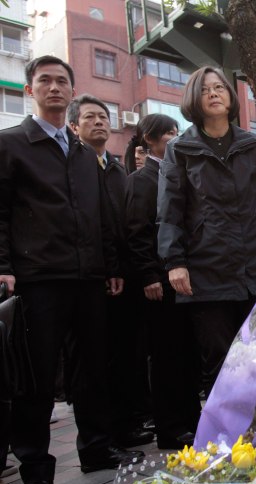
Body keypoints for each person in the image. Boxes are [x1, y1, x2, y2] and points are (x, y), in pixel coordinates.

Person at [0, 55, 142, 484]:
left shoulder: (84, 154)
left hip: (90, 280)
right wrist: (4, 266)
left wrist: (112, 268)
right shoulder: (10, 145)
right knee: (37, 381)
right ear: (30, 90)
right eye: (45, 81)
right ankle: (37, 475)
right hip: (37, 279)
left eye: (62, 81)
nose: (55, 87)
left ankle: (96, 449)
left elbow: (100, 217)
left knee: (92, 372)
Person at [157, 67, 256, 396]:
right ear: (193, 99)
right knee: (221, 357)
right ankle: (230, 439)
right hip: (207, 269)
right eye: (205, 90)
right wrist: (175, 261)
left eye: (220, 88)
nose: (214, 93)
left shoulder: (253, 144)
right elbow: (169, 210)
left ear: (231, 97)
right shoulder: (180, 149)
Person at [67, 94, 155, 450]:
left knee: (126, 356)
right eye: (90, 117)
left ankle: (125, 427)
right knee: (91, 362)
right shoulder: (72, 166)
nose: (100, 122)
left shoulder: (118, 170)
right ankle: (96, 441)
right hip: (91, 276)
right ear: (74, 127)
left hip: (126, 276)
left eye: (104, 116)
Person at [125, 113, 200, 449]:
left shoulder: (182, 173)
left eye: (176, 131)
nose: (174, 137)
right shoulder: (142, 180)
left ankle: (191, 420)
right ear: (149, 140)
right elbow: (138, 233)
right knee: (167, 354)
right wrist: (149, 275)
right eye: (168, 133)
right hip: (160, 280)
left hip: (188, 277)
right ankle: (170, 428)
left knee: (187, 352)